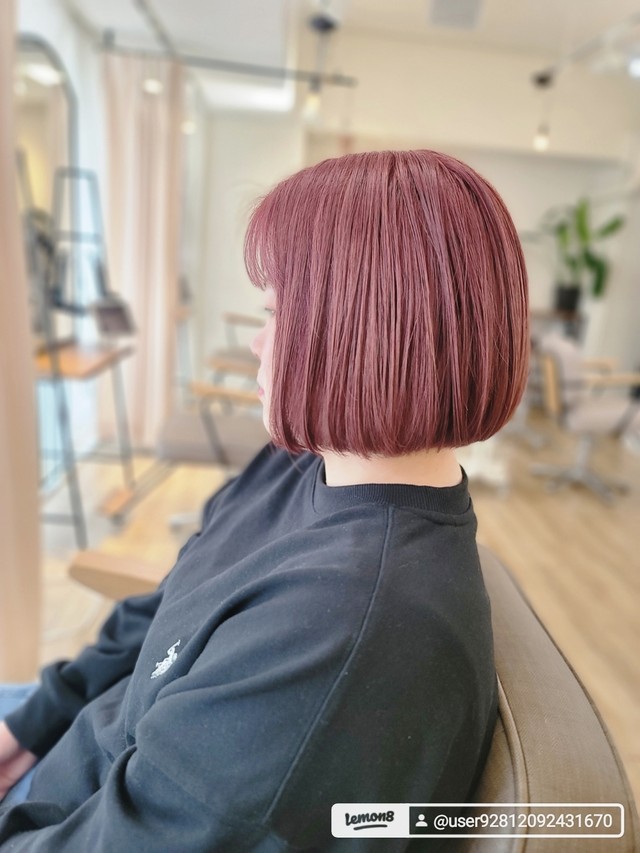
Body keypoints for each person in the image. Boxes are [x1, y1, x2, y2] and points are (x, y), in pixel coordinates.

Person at [0, 149, 528, 851]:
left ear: (357, 330)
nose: (256, 341)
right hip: (74, 741)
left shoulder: (337, 639)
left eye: (276, 311)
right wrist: (30, 724)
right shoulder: (303, 461)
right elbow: (170, 603)